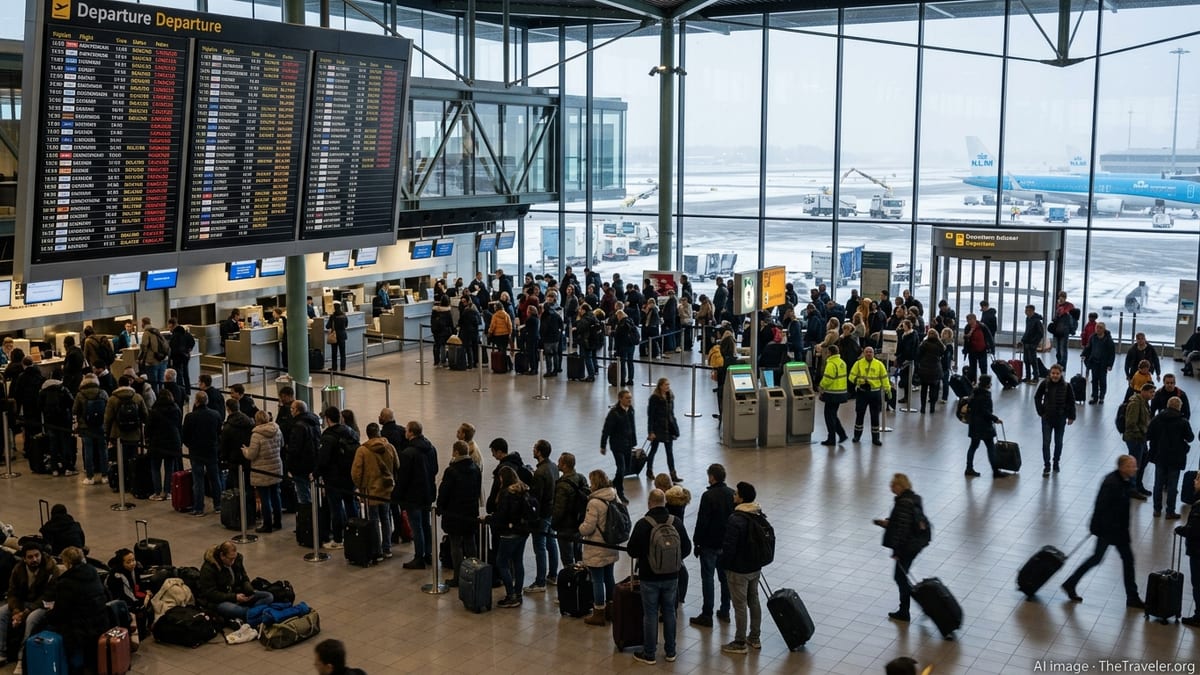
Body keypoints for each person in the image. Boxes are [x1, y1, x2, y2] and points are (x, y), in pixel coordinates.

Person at [1061, 455, 1146, 609]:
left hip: (1117, 529)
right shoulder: (1112, 483)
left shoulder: (1124, 480)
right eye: (1132, 465)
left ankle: (1070, 583)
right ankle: (1132, 597)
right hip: (1110, 530)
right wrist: (1098, 528)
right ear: (1122, 467)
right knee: (1106, 559)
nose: (1135, 468)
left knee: (1105, 559)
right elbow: (1101, 506)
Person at [627, 488, 692, 665]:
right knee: (670, 611)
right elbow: (687, 548)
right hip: (672, 576)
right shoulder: (676, 522)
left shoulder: (643, 524)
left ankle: (649, 653)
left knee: (650, 614)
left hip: (649, 577)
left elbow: (632, 550)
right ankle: (671, 651)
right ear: (665, 503)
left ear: (649, 503)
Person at [718, 482, 765, 655]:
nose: (733, 496)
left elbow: (729, 547)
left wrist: (724, 564)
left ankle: (739, 642)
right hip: (755, 566)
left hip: (738, 570)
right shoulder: (758, 512)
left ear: (742, 498)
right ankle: (754, 637)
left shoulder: (736, 518)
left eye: (736, 494)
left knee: (739, 605)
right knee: (754, 600)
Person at [45, 546, 110, 674]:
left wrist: (48, 614)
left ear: (67, 563)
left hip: (80, 630)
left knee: (44, 624)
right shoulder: (93, 572)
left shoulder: (66, 582)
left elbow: (60, 613)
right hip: (101, 622)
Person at [0, 542, 60, 667]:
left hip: (43, 605)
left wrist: (25, 613)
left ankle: (22, 658)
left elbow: (48, 595)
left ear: (41, 555)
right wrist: (16, 610)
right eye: (30, 557)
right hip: (23, 603)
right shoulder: (18, 569)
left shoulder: (51, 569)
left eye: (37, 555)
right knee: (1, 613)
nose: (35, 559)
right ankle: (2, 653)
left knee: (31, 619)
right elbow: (12, 593)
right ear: (24, 559)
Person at [877, 473, 927, 623]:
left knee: (900, 577)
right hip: (915, 544)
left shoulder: (903, 502)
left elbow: (903, 530)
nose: (891, 487)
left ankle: (905, 611)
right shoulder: (913, 498)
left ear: (900, 485)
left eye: (893, 485)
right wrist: (889, 523)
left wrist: (897, 551)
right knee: (902, 576)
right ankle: (921, 605)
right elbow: (907, 522)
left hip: (907, 547)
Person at [690, 463, 734, 628]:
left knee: (708, 579)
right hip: (726, 544)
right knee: (725, 579)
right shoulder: (732, 494)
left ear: (712, 477)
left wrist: (697, 542)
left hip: (709, 544)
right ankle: (725, 610)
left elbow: (702, 522)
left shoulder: (708, 496)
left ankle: (707, 614)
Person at [352, 423, 399, 562]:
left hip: (371, 491)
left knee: (374, 520)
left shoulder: (362, 450)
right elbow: (397, 465)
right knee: (386, 518)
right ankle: (387, 548)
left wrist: (360, 487)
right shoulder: (389, 447)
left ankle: (376, 551)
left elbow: (356, 473)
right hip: (386, 489)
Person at [436, 440, 481, 587]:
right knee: (470, 541)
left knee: (456, 544)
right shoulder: (475, 468)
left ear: (455, 452)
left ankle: (458, 576)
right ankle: (474, 572)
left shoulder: (452, 471)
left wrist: (440, 507)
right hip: (470, 512)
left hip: (454, 513)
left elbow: (444, 491)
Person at [488, 465, 532, 608]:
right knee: (518, 562)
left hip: (509, 534)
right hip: (523, 532)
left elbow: (502, 515)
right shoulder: (523, 489)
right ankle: (518, 594)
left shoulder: (506, 493)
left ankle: (511, 595)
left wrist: (491, 520)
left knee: (502, 562)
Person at [580, 469, 621, 626]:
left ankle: (599, 612)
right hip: (611, 544)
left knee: (597, 580)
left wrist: (580, 528)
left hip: (597, 546)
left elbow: (588, 528)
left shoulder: (594, 502)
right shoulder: (613, 496)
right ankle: (612, 609)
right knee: (609, 577)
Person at [197, 541, 273, 621]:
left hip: (237, 592)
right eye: (230, 559)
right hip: (219, 601)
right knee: (240, 611)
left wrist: (247, 586)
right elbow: (211, 594)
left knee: (268, 596)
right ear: (222, 555)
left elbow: (243, 575)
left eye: (234, 558)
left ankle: (251, 613)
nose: (233, 562)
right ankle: (254, 612)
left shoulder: (237, 559)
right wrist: (234, 597)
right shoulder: (208, 569)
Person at [318, 406, 359, 550]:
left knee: (336, 508)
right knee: (351, 504)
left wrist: (316, 474)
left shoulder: (328, 436)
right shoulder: (351, 433)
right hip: (349, 476)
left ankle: (338, 538)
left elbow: (323, 460)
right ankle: (356, 531)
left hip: (334, 479)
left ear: (328, 419)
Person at [1146, 397, 1193, 519]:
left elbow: (1148, 435)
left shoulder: (1157, 419)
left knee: (1158, 484)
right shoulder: (1182, 422)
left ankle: (1157, 510)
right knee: (1172, 486)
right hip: (1176, 458)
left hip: (1160, 456)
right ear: (1179, 407)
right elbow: (1190, 438)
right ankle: (1170, 511)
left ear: (1167, 405)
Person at [182, 390, 224, 516]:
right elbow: (219, 432)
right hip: (211, 450)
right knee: (215, 479)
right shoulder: (215, 414)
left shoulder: (190, 417)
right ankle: (218, 505)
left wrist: (191, 445)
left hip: (196, 452)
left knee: (198, 480)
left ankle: (199, 508)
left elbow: (185, 436)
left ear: (197, 401)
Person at [525, 439, 559, 593]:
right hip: (551, 511)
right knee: (551, 542)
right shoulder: (553, 467)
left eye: (534, 448)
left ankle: (540, 582)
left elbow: (535, 498)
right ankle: (553, 575)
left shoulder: (540, 472)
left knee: (540, 547)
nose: (533, 450)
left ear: (539, 452)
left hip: (541, 515)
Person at [243, 410, 284, 534]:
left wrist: (245, 451)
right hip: (276, 467)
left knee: (265, 498)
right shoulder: (277, 430)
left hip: (262, 469)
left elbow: (252, 454)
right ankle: (278, 521)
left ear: (257, 420)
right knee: (276, 495)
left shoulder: (256, 435)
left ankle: (267, 525)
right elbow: (282, 444)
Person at [1034, 364, 1077, 476]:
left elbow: (1071, 402)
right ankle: (1047, 465)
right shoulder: (1045, 384)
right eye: (1053, 373)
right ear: (1050, 373)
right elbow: (1037, 397)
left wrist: (1071, 416)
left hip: (1060, 419)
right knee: (1046, 443)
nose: (1055, 376)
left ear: (1061, 374)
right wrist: (1040, 411)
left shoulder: (1067, 386)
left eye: (1057, 373)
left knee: (1058, 443)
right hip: (1047, 418)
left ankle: (1056, 461)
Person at [73, 372, 110, 485]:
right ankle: (105, 475)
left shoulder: (80, 395)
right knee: (103, 450)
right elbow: (108, 409)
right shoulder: (102, 393)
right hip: (100, 426)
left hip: (86, 426)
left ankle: (90, 477)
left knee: (88, 451)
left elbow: (75, 410)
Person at [849, 346, 891, 446]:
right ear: (864, 353)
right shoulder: (858, 363)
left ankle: (876, 438)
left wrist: (887, 389)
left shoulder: (879, 364)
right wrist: (859, 381)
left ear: (873, 354)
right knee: (860, 414)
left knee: (875, 416)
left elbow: (884, 378)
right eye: (867, 352)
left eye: (871, 352)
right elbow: (851, 377)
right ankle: (857, 436)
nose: (869, 354)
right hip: (862, 392)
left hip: (875, 393)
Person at [600, 389, 636, 504]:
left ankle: (614, 484)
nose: (629, 400)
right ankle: (620, 492)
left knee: (626, 469)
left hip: (628, 445)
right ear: (620, 399)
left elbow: (632, 427)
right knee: (621, 469)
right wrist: (603, 445)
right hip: (617, 445)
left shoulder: (630, 410)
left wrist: (633, 442)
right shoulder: (614, 413)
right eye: (627, 398)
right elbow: (606, 429)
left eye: (630, 398)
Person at [964, 375, 1003, 478]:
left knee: (973, 446)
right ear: (987, 384)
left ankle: (969, 468)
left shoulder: (974, 393)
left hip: (974, 425)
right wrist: (995, 419)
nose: (991, 384)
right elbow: (986, 412)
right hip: (984, 426)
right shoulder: (985, 396)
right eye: (990, 382)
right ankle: (995, 471)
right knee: (991, 447)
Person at [1122, 383, 1156, 499]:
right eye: (1151, 392)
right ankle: (1132, 488)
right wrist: (1141, 433)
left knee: (1142, 462)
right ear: (1144, 391)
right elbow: (1131, 422)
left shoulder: (1144, 402)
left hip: (1141, 438)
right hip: (1135, 438)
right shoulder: (1136, 403)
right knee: (1134, 464)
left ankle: (1138, 485)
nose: (1153, 395)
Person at [106, 548, 148, 641]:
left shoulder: (135, 568)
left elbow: (138, 584)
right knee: (140, 607)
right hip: (119, 600)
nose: (132, 563)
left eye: (133, 560)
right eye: (128, 562)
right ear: (121, 563)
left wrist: (146, 592)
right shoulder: (117, 575)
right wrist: (139, 603)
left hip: (131, 595)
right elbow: (125, 594)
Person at [1176, 471, 1200, 627]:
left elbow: (1195, 530)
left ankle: (1199, 616)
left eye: (1198, 479)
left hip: (1198, 551)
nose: (1194, 481)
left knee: (1198, 583)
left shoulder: (1199, 505)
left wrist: (1181, 530)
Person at [646, 378, 681, 482]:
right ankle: (649, 470)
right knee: (653, 450)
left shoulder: (670, 397)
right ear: (660, 386)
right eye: (666, 385)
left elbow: (671, 414)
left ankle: (673, 474)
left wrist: (675, 428)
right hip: (658, 428)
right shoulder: (654, 398)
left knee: (669, 452)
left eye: (668, 384)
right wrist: (650, 431)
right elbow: (650, 416)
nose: (668, 386)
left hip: (668, 429)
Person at [288, 399, 322, 506]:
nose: (291, 411)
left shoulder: (298, 426)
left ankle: (307, 517)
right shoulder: (314, 422)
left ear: (297, 411)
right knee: (314, 491)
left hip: (301, 464)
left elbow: (295, 448)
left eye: (292, 409)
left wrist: (289, 464)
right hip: (313, 462)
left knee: (303, 494)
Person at [818, 344, 849, 445]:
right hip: (841, 392)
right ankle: (842, 434)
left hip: (832, 393)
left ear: (830, 353)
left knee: (829, 416)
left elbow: (828, 379)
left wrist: (821, 387)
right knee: (833, 415)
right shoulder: (842, 363)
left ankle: (832, 438)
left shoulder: (831, 364)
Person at [1081, 321, 1116, 404]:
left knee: (1102, 380)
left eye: (1100, 328)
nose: (1098, 329)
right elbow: (1088, 347)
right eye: (1097, 327)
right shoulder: (1093, 337)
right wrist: (1084, 354)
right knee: (1095, 380)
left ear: (1104, 329)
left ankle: (1102, 396)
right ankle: (1095, 397)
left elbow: (1112, 354)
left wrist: (1110, 365)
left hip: (1103, 363)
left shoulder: (1108, 340)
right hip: (1094, 362)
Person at [916, 328, 945, 414]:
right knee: (934, 389)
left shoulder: (924, 344)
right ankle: (932, 407)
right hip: (935, 370)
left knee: (924, 390)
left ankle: (923, 407)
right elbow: (942, 353)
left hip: (924, 370)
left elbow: (919, 354)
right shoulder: (940, 345)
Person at [962, 312, 992, 382]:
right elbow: (965, 339)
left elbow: (989, 336)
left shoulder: (982, 326)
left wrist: (991, 347)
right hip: (972, 350)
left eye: (970, 320)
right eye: (968, 320)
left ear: (974, 319)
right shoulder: (967, 327)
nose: (969, 322)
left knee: (983, 367)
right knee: (972, 368)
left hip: (982, 350)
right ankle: (973, 382)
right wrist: (967, 336)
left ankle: (984, 382)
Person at [1050, 291, 1076, 367]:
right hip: (1058, 330)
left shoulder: (1069, 306)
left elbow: (1070, 317)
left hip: (1065, 331)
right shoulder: (1058, 305)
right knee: (1058, 349)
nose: (1061, 298)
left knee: (1063, 349)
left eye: (1063, 297)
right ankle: (1059, 363)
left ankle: (1063, 365)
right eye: (1060, 296)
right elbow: (1056, 318)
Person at [1020, 304, 1045, 383]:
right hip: (1026, 343)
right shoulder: (1028, 319)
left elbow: (1040, 333)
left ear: (1033, 311)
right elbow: (1027, 331)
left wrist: (1034, 342)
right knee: (1026, 360)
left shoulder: (1037, 321)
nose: (1027, 312)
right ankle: (1028, 377)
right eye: (1026, 310)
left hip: (1032, 344)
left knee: (1033, 361)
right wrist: (1023, 340)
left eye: (1029, 311)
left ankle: (1036, 377)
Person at [327, 303, 349, 371]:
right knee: (343, 353)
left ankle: (334, 367)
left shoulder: (333, 316)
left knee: (334, 353)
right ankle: (343, 367)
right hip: (342, 335)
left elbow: (327, 326)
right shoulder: (344, 315)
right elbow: (346, 325)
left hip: (335, 335)